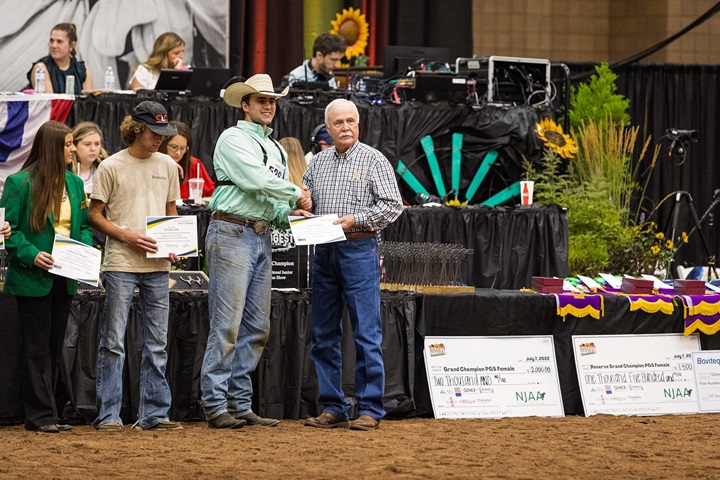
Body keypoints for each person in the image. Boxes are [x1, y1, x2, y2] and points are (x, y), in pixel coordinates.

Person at [200, 74, 312, 429]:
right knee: (227, 325)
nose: (268, 105)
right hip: (232, 231)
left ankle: (240, 403)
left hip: (259, 234)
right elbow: (254, 180)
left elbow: (266, 198)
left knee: (256, 326)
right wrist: (295, 193)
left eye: (272, 101)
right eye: (260, 100)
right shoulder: (232, 138)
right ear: (244, 105)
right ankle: (216, 404)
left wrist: (288, 213)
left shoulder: (277, 147)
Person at [303, 99, 403, 431]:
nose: (345, 128)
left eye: (351, 121)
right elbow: (307, 201)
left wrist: (355, 220)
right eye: (338, 123)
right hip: (324, 251)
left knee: (366, 332)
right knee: (323, 333)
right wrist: (301, 209)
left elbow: (392, 207)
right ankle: (333, 406)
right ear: (327, 128)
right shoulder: (316, 163)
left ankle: (371, 408)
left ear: (358, 124)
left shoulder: (375, 159)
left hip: (359, 247)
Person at [89, 101, 183, 431]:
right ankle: (109, 415)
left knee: (157, 342)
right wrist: (127, 237)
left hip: (158, 265)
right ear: (137, 129)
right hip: (120, 262)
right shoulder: (112, 166)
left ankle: (155, 414)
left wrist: (175, 244)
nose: (160, 138)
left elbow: (170, 209)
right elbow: (94, 214)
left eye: (164, 133)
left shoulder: (168, 165)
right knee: (113, 341)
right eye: (155, 132)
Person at [0, 120, 89, 433]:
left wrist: (85, 253)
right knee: (36, 349)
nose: (73, 149)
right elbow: (10, 233)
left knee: (53, 347)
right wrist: (32, 254)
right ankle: (39, 417)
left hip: (66, 277)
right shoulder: (19, 182)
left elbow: (86, 226)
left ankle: (48, 414)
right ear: (52, 147)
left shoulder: (74, 183)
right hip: (32, 279)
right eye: (67, 145)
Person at [27, 23, 93, 94]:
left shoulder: (82, 70)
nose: (54, 45)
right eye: (51, 41)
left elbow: (88, 101)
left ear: (72, 45)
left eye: (59, 41)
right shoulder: (41, 68)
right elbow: (48, 102)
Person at [159, 121, 215, 199]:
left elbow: (212, 194)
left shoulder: (194, 164)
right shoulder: (152, 163)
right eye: (174, 147)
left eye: (183, 148)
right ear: (163, 144)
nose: (178, 153)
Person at [71, 121, 107, 195]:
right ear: (75, 145)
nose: (93, 148)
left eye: (97, 144)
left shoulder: (106, 168)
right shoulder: (65, 170)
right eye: (87, 144)